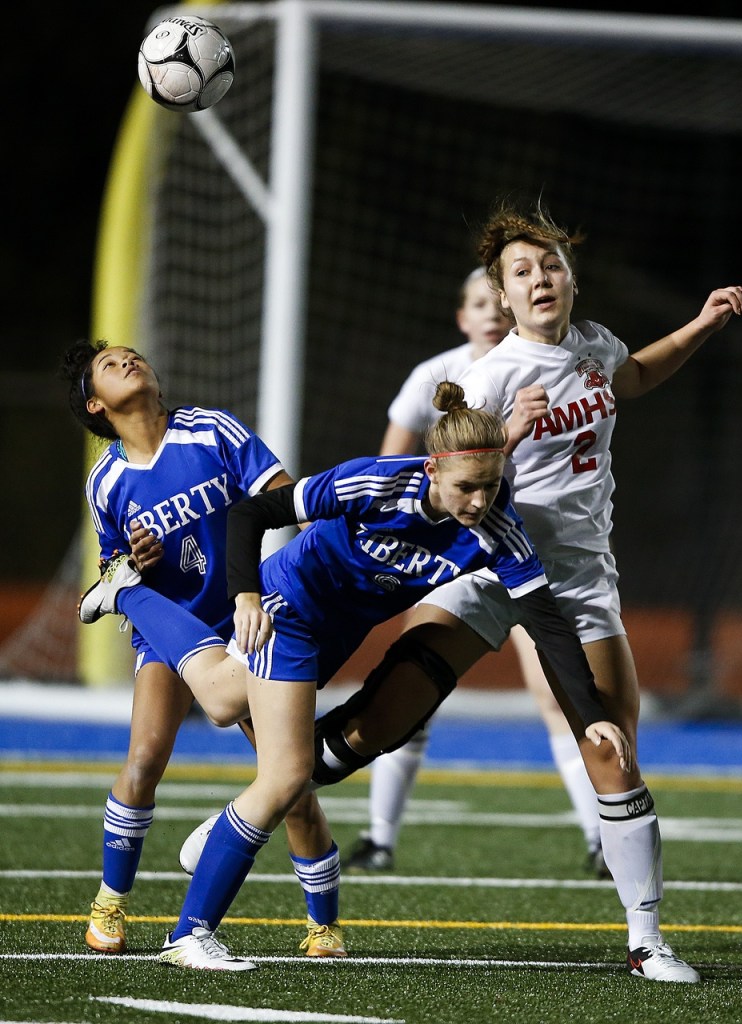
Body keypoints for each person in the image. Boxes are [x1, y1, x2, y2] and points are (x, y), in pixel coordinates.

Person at [78, 380, 630, 972]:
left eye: (491, 486)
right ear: (434, 468)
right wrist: (244, 595)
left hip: (336, 636)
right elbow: (252, 510)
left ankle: (128, 593)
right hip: (292, 603)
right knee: (288, 774)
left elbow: (547, 623)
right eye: (467, 487)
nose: (477, 501)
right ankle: (191, 934)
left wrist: (594, 715)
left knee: (219, 702)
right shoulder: (375, 480)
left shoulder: (498, 529)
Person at [393, 201, 742, 983]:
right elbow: (460, 486)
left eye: (550, 264)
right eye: (522, 271)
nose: (540, 276)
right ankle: (266, 805)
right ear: (505, 298)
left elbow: (634, 376)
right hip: (492, 569)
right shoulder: (489, 378)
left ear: (571, 281)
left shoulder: (593, 347)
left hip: (582, 577)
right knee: (383, 715)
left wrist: (701, 325)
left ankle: (647, 941)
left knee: (614, 749)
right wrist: (509, 434)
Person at [61, 340, 346, 966]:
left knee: (290, 778)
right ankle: (110, 901)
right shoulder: (105, 481)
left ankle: (322, 925)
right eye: (111, 366)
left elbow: (283, 493)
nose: (128, 362)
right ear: (95, 405)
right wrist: (132, 562)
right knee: (144, 757)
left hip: (242, 621)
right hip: (171, 627)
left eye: (133, 356)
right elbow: (114, 565)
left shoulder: (210, 430)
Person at [345, 266, 606, 878]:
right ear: (462, 316)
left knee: (558, 693)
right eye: (476, 302)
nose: (490, 311)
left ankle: (600, 839)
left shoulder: (564, 363)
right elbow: (392, 470)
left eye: (498, 300)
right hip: (456, 555)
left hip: (528, 552)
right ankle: (378, 837)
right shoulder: (438, 377)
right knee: (409, 688)